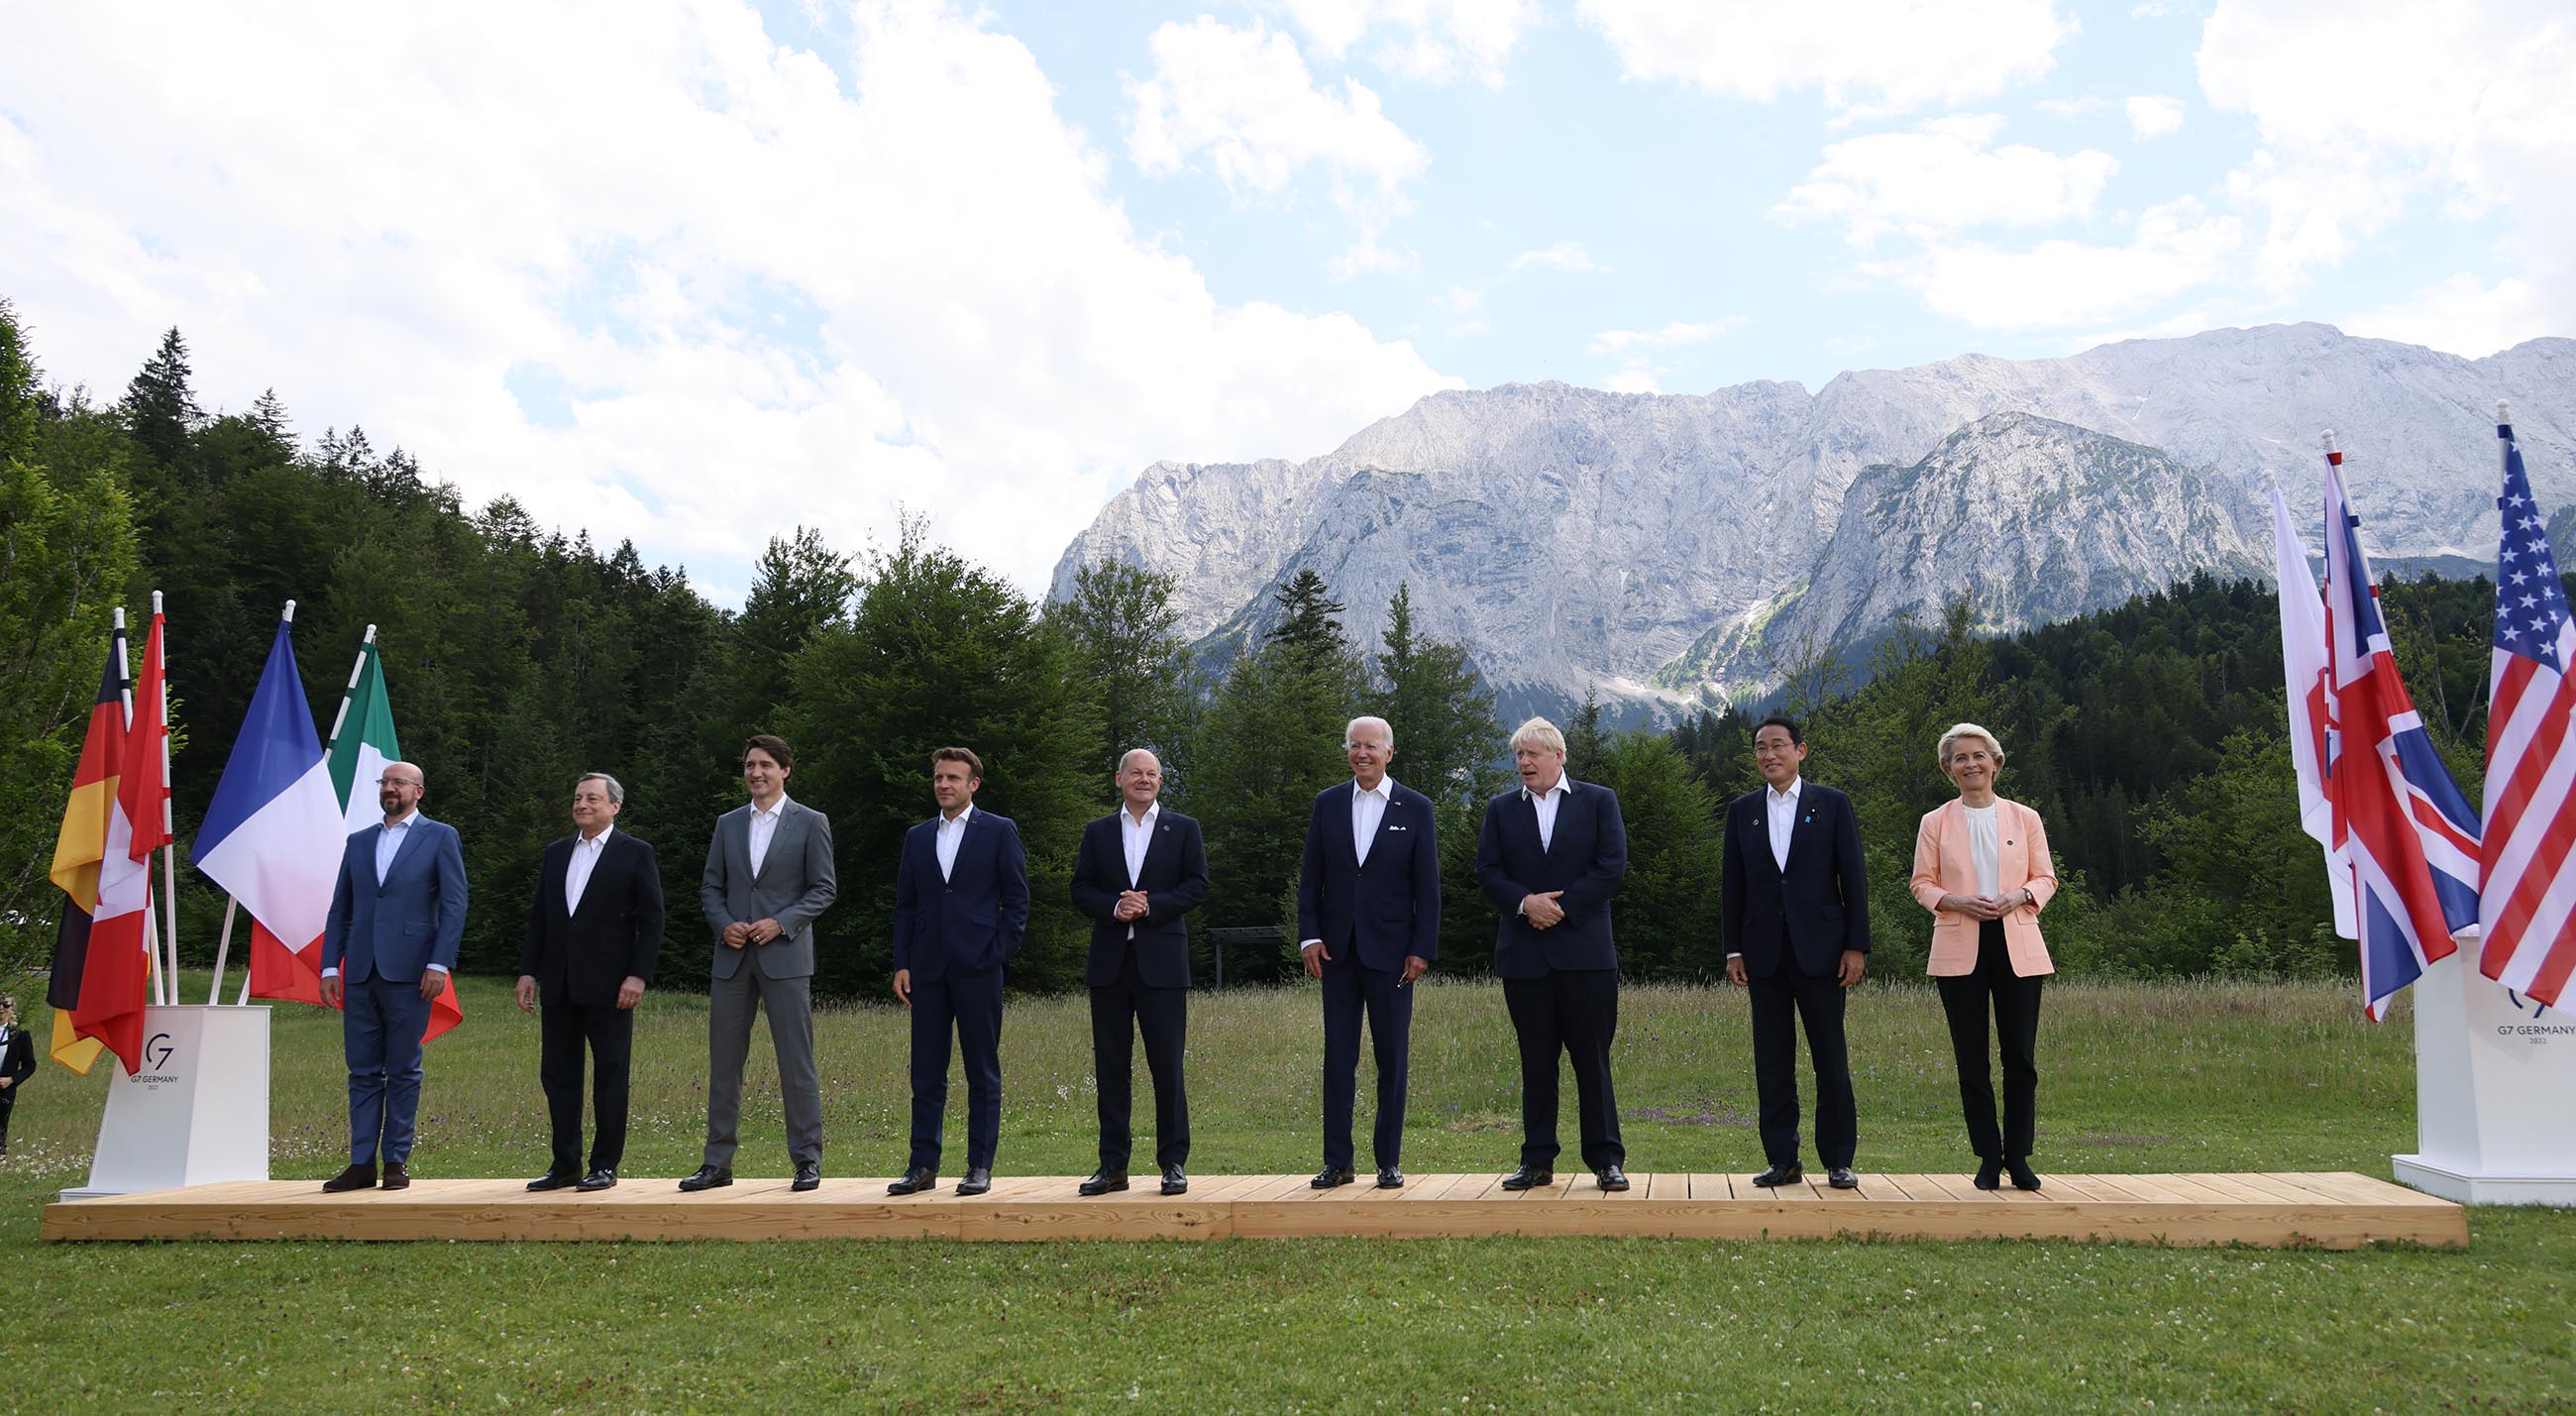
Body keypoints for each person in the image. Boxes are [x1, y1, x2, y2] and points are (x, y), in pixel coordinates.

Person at [1474, 717, 1631, 1192]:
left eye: (1533, 754)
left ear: (1558, 756)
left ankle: (1606, 1160)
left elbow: (1611, 867)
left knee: (1592, 1061)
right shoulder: (1501, 809)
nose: (1524, 762)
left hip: (1585, 956)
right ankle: (1537, 1161)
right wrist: (1526, 905)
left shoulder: (1599, 801)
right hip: (1526, 959)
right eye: (1519, 755)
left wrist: (1560, 908)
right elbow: (1488, 871)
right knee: (1536, 1063)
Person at [684, 734, 837, 1194]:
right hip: (731, 958)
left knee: (797, 1063)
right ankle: (717, 1163)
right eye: (750, 765)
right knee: (724, 1064)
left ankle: (807, 1160)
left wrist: (782, 922)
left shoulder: (811, 822)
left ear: (785, 771)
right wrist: (723, 924)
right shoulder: (727, 824)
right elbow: (711, 887)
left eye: (765, 765)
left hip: (786, 957)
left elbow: (824, 888)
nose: (756, 773)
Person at [1720, 715, 1869, 1190]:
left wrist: (1856, 945)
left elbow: (1854, 879)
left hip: (1823, 952)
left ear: (1800, 751)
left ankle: (1838, 1160)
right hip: (1762, 954)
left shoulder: (1832, 804)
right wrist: (1732, 950)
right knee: (1772, 1059)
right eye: (1761, 748)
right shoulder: (1742, 811)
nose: (1769, 755)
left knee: (1830, 1055)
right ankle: (1782, 1159)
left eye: (1778, 746)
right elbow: (1732, 888)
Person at [1910, 722, 2058, 1191]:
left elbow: (2046, 879)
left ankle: (2018, 1155)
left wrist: (2018, 897)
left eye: (1979, 756)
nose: (1970, 764)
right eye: (1960, 758)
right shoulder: (1935, 822)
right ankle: (1987, 1157)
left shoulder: (2026, 817)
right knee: (1970, 1059)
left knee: (2020, 1057)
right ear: (1948, 769)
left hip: (2018, 944)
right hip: (1960, 947)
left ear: (1996, 762)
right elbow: (1921, 884)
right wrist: (1956, 901)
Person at [1296, 714, 1440, 1190]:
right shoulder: (1328, 804)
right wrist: (1309, 937)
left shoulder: (1415, 808)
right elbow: (1310, 879)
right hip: (1336, 953)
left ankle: (1388, 1162)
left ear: (1389, 752)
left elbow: (1428, 888)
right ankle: (1337, 1161)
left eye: (1371, 746)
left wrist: (1421, 948)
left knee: (1392, 1059)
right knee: (1338, 1058)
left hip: (1394, 955)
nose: (1362, 753)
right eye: (1355, 746)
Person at [319, 760, 467, 1192]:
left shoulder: (439, 837)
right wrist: (332, 965)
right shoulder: (359, 841)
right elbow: (340, 907)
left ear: (418, 791)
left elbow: (455, 904)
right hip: (361, 971)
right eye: (384, 782)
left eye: (398, 782)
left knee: (403, 1069)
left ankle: (395, 1161)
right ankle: (361, 1162)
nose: (389, 788)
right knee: (362, 1070)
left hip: (412, 971)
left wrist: (439, 963)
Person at [889, 747, 1029, 1198]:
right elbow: (906, 906)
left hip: (979, 968)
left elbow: (1018, 900)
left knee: (981, 1071)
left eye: (953, 778)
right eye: (938, 778)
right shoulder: (917, 836)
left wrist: (998, 953)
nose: (943, 784)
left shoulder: (999, 831)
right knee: (926, 1072)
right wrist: (902, 962)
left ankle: (978, 1166)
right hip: (926, 969)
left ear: (973, 785)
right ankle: (922, 1165)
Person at [1068, 749, 1210, 1197]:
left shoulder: (1184, 829)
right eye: (1136, 773)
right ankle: (1112, 1166)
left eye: (1151, 774)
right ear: (1119, 779)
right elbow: (1080, 888)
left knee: (1167, 1067)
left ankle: (1173, 1163)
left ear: (1161, 781)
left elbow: (1197, 885)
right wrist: (1115, 906)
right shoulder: (1098, 832)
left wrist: (1151, 906)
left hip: (1163, 966)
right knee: (1111, 1069)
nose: (1143, 780)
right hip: (1110, 967)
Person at [517, 773, 666, 1193]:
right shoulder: (556, 853)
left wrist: (638, 975)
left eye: (592, 798)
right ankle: (564, 1164)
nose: (582, 804)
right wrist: (529, 971)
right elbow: (541, 919)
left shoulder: (635, 853)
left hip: (612, 985)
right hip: (560, 983)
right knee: (558, 1075)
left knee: (611, 1075)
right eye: (578, 797)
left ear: (615, 806)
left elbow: (652, 920)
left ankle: (604, 1164)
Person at [0, 995, 33, 1158]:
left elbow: (30, 1065)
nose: (1, 1008)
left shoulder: (19, 1034)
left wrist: (11, 1080)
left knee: (1, 1124)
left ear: (11, 1008)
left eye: (5, 1004)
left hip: (5, 1089)